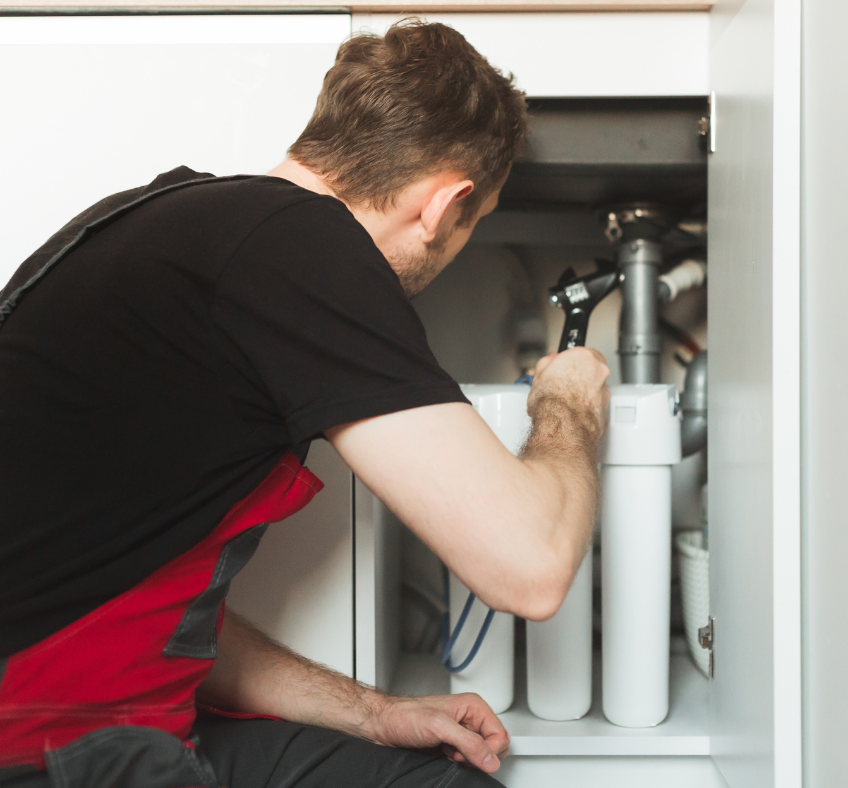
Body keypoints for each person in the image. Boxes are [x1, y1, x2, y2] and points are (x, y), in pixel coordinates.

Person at [0, 19, 609, 788]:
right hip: (54, 754)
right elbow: (532, 567)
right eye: (469, 229)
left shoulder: (164, 219)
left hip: (97, 726)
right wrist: (570, 402)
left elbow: (138, 615)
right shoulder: (300, 248)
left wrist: (375, 712)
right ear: (444, 204)